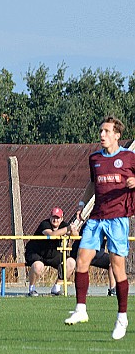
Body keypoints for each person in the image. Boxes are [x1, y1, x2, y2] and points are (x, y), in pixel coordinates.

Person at [64, 116, 135, 340]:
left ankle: (122, 316)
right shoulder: (94, 158)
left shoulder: (129, 157)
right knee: (81, 260)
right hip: (95, 218)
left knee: (117, 267)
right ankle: (81, 309)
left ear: (117, 135)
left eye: (106, 131)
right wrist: (82, 205)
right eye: (101, 131)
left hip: (118, 219)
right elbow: (92, 184)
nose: (102, 135)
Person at [25, 207, 76, 296]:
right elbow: (52, 234)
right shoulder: (45, 224)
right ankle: (31, 288)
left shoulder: (64, 225)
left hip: (52, 254)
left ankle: (56, 287)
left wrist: (73, 229)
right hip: (37, 252)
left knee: (71, 262)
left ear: (62, 219)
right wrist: (67, 229)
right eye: (53, 217)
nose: (55, 220)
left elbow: (76, 235)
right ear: (50, 217)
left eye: (58, 218)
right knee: (38, 266)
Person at [70, 221, 116, 296]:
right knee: (82, 266)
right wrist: (73, 231)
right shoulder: (89, 223)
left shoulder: (107, 224)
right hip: (85, 253)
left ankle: (113, 290)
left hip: (98, 255)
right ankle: (82, 291)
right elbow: (79, 236)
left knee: (113, 262)